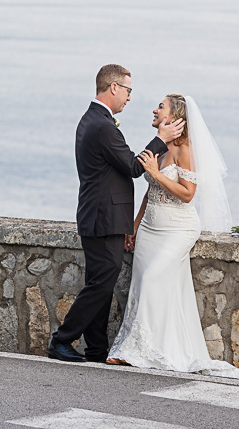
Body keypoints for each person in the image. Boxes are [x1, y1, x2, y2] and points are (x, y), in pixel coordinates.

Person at [48, 64, 184, 363]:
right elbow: (135, 168)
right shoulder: (102, 126)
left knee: (101, 282)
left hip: (100, 215)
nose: (129, 98)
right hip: (103, 217)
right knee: (102, 282)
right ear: (113, 87)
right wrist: (161, 138)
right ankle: (61, 340)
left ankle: (96, 348)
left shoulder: (95, 120)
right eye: (128, 90)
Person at [106, 94, 239, 379]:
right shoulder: (158, 148)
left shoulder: (185, 150)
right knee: (144, 286)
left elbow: (187, 194)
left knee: (152, 278)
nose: (155, 109)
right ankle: (141, 349)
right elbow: (149, 192)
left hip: (178, 229)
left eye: (161, 106)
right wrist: (134, 224)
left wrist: (156, 174)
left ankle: (147, 351)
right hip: (150, 228)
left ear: (175, 117)